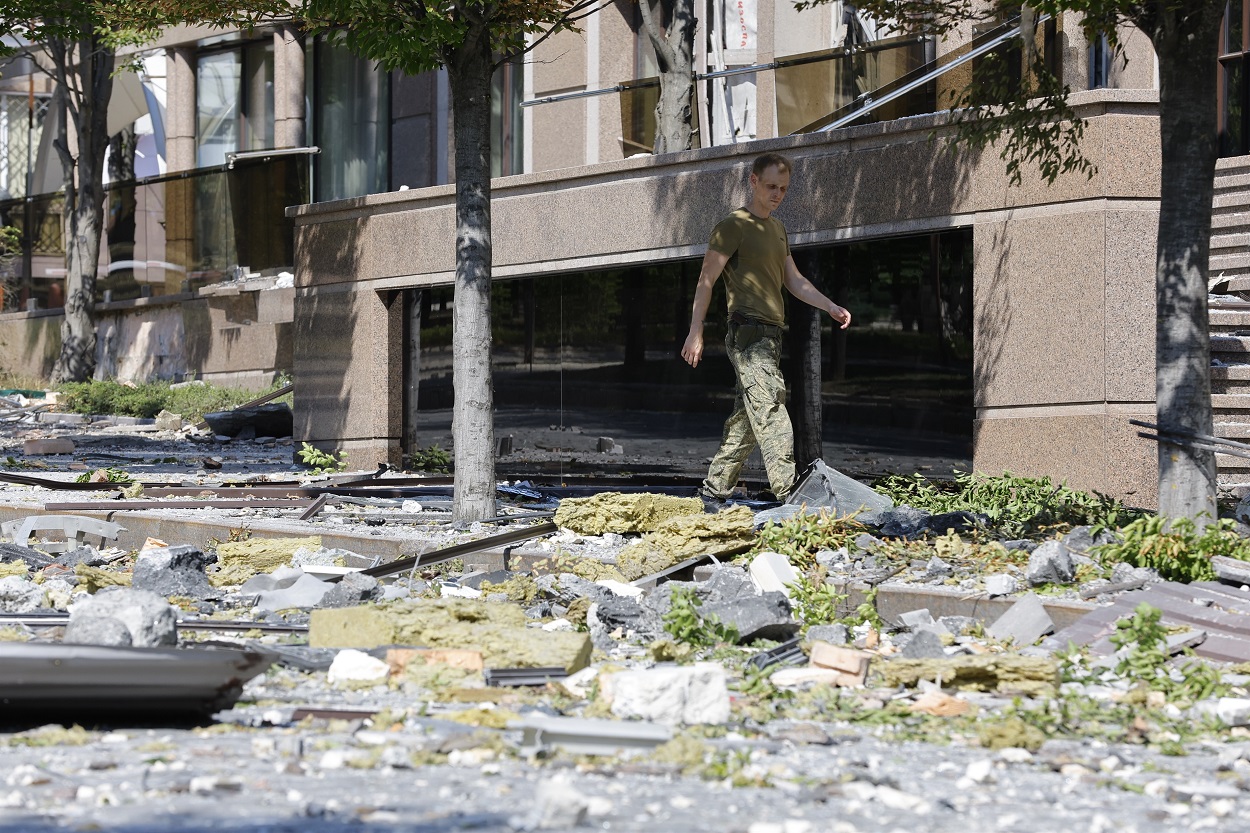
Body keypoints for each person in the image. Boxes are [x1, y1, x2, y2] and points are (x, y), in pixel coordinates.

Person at [681, 152, 852, 504]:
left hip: (771, 336)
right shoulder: (734, 225)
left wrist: (830, 306)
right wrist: (695, 329)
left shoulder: (776, 229)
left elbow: (794, 280)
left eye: (784, 189)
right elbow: (706, 280)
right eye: (771, 185)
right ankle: (790, 494)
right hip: (747, 335)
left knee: (748, 418)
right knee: (771, 407)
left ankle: (712, 492)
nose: (777, 194)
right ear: (753, 181)